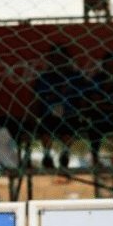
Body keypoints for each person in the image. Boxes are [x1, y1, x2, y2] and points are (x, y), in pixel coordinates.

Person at [31, 43, 89, 171]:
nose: (57, 62)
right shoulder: (44, 78)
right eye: (54, 58)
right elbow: (37, 100)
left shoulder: (75, 77)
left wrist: (83, 114)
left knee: (67, 133)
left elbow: (82, 99)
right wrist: (34, 117)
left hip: (69, 115)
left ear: (66, 59)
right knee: (45, 131)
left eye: (60, 58)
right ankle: (47, 157)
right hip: (49, 115)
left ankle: (65, 155)